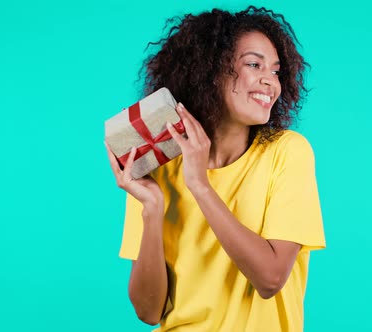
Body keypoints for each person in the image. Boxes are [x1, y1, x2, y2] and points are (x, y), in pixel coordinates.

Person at [105, 6, 325, 331]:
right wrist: (151, 207)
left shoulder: (288, 152)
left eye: (276, 71)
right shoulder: (160, 169)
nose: (270, 81)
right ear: (210, 71)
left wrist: (200, 185)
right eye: (254, 64)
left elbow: (271, 278)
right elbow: (149, 311)